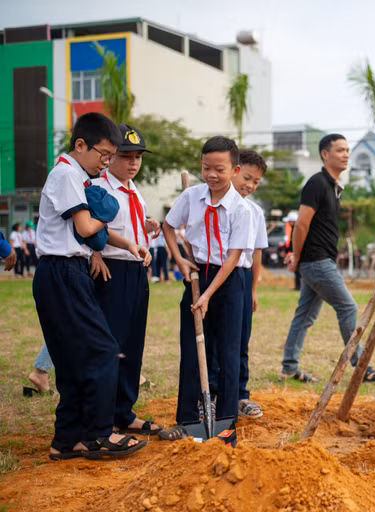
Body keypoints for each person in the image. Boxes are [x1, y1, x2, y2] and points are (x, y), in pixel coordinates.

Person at [33, 112, 148, 460]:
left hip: (64, 270)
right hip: (63, 271)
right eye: (104, 155)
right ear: (81, 145)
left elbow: (90, 230)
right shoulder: (67, 174)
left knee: (72, 358)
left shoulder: (75, 174)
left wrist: (127, 243)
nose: (106, 162)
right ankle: (99, 434)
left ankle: (67, 439)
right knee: (102, 350)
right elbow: (86, 228)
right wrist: (106, 212)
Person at [158, 136, 254, 441]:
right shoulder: (191, 197)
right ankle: (187, 420)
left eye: (219, 169)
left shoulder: (242, 209)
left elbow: (234, 257)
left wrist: (209, 295)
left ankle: (225, 423)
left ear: (234, 170)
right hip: (197, 275)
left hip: (228, 280)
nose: (211, 174)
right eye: (206, 167)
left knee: (227, 352)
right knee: (192, 347)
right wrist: (180, 260)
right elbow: (168, 226)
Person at [281, 134, 375, 384]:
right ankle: (361, 366)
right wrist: (296, 256)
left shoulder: (333, 186)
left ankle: (289, 367)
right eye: (340, 150)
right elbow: (301, 224)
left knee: (304, 316)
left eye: (347, 150)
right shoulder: (317, 183)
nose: (346, 154)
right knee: (348, 307)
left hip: (319, 260)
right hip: (316, 261)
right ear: (324, 154)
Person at [89, 124, 161, 435]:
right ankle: (103, 417)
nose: (133, 163)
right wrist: (95, 253)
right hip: (112, 270)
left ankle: (124, 411)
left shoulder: (134, 190)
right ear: (110, 157)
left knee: (133, 344)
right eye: (126, 156)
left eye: (138, 158)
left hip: (136, 270)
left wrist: (148, 224)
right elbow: (91, 228)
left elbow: (129, 223)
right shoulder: (98, 187)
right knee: (111, 345)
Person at [209, 149, 268, 419]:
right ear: (234, 171)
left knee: (241, 339)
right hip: (215, 274)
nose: (251, 185)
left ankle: (240, 395)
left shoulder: (255, 212)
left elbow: (256, 253)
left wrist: (253, 289)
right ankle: (210, 395)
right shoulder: (214, 206)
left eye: (256, 182)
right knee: (213, 339)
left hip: (242, 278)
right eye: (247, 177)